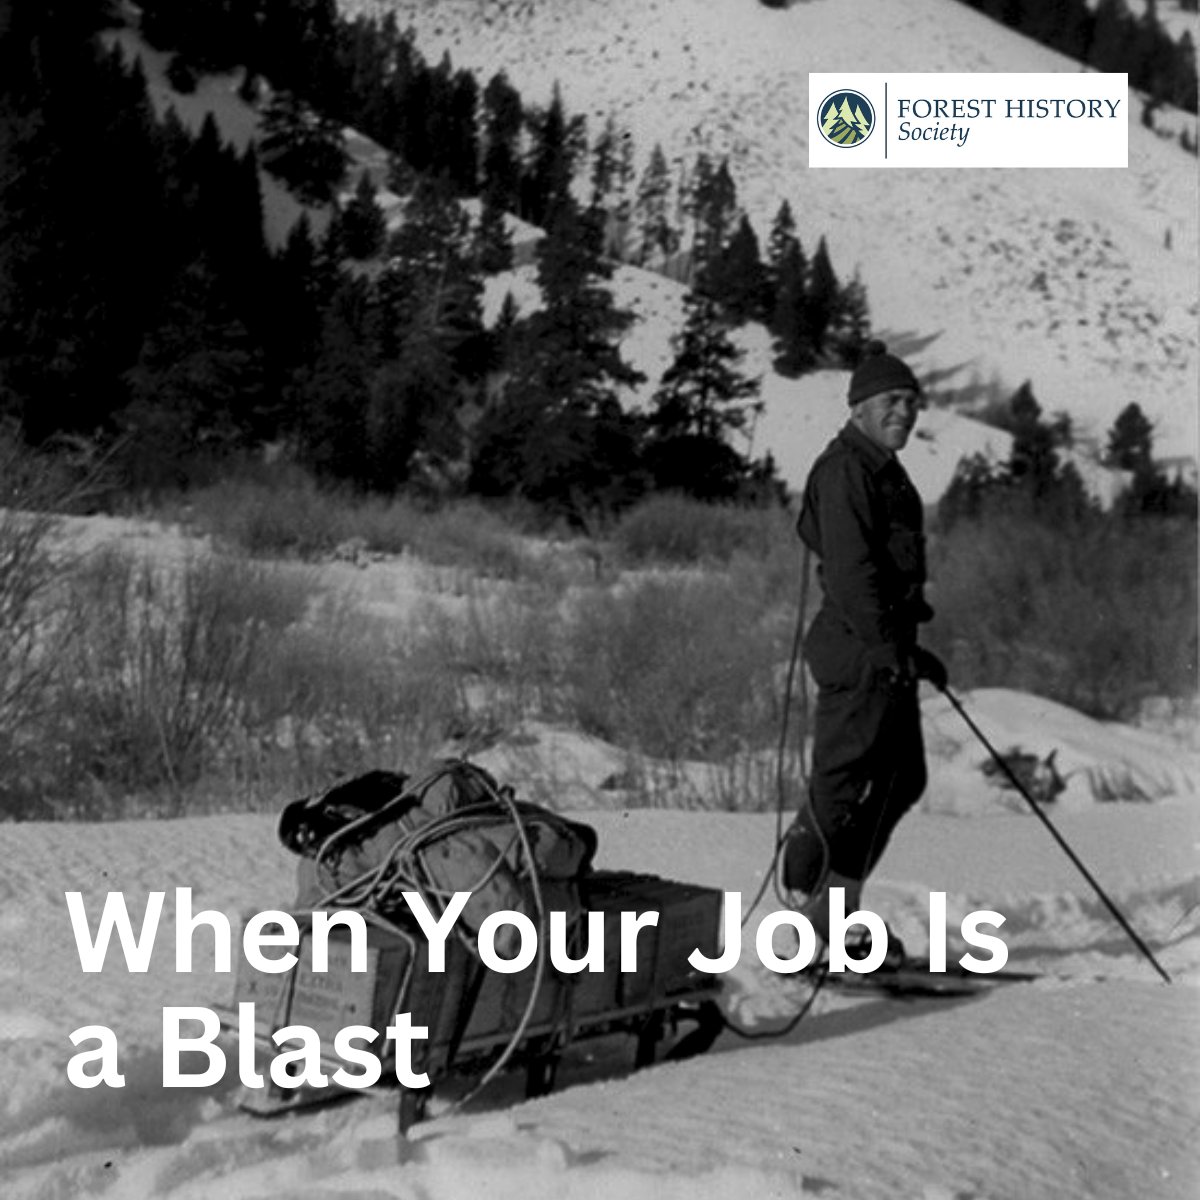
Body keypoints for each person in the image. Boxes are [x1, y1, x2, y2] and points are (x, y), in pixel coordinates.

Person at [782, 340, 947, 959]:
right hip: (858, 652)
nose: (903, 412)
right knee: (843, 781)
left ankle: (832, 908)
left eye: (911, 402)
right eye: (889, 401)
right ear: (858, 407)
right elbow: (852, 574)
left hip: (882, 649)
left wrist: (910, 649)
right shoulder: (848, 469)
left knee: (902, 777)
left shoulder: (881, 467)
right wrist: (887, 647)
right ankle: (802, 906)